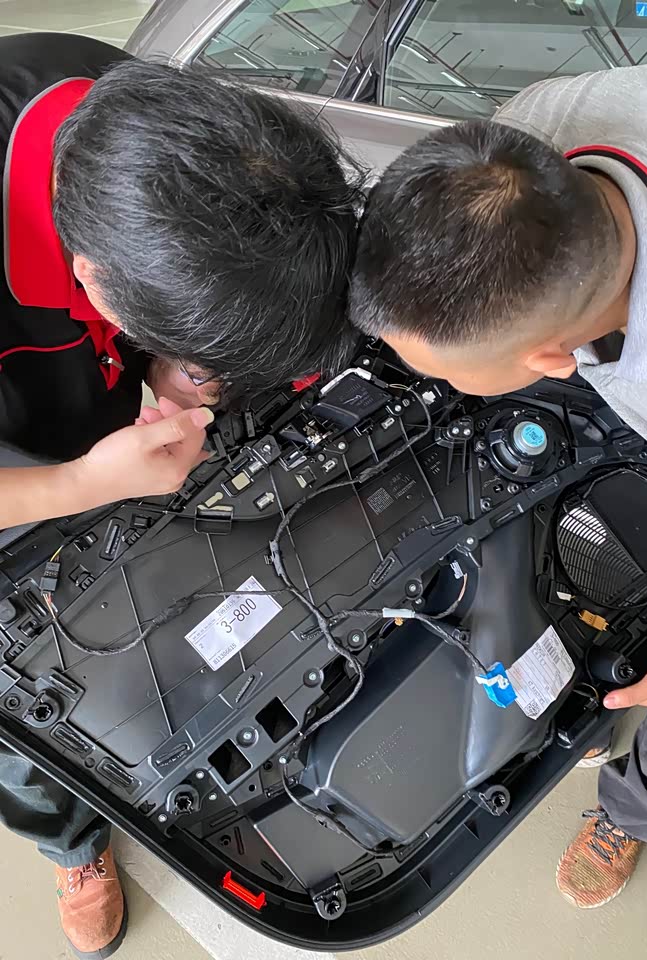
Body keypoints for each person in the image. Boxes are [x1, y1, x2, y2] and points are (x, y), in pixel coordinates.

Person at [0, 31, 362, 957]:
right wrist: (81, 483)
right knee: (24, 686)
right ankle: (71, 842)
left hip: (93, 405)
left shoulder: (136, 121)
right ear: (94, 280)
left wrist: (187, 375)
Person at [349, 64, 647, 911]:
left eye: (447, 372)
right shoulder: (532, 133)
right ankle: (582, 697)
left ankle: (636, 810)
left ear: (554, 359)